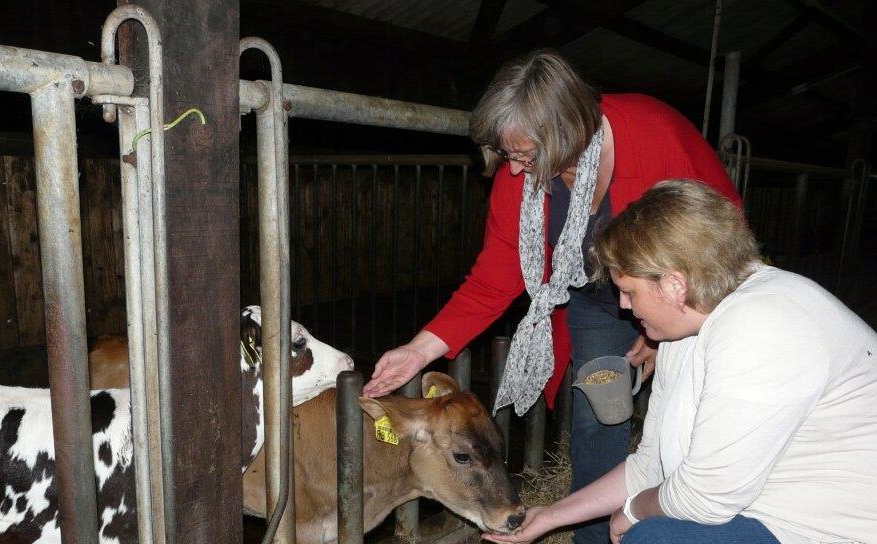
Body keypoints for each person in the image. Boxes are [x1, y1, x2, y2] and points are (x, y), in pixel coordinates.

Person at [362, 49, 740, 544]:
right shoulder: (518, 175)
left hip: (685, 296)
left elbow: (719, 240)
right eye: (508, 155)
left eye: (525, 155)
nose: (515, 170)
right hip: (595, 296)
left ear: (567, 131)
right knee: (599, 411)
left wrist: (664, 329)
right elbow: (495, 277)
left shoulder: (654, 136)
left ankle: (696, 511)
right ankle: (593, 535)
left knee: (686, 408)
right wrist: (420, 349)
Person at [482, 179, 877, 544]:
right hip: (766, 513)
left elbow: (705, 498)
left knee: (655, 538)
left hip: (829, 530)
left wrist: (634, 512)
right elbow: (650, 465)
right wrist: (551, 515)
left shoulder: (765, 323)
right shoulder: (685, 327)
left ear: (674, 284)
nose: (622, 305)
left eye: (629, 291)